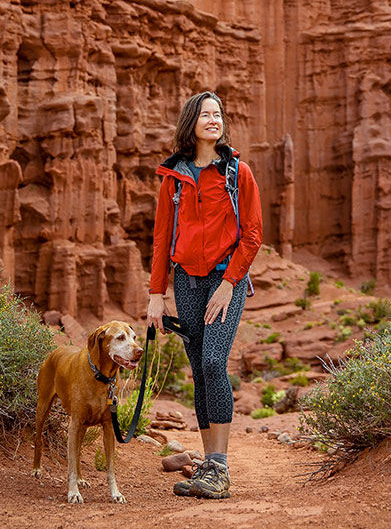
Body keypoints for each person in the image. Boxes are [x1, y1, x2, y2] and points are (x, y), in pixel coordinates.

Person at [147, 90, 263, 500]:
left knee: (214, 361)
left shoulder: (236, 172)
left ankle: (220, 467)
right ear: (191, 123)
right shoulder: (173, 178)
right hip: (186, 283)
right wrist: (156, 294)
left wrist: (230, 283)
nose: (214, 120)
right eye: (206, 114)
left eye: (218, 114)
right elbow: (162, 239)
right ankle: (207, 469)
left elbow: (253, 234)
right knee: (198, 369)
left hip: (224, 281)